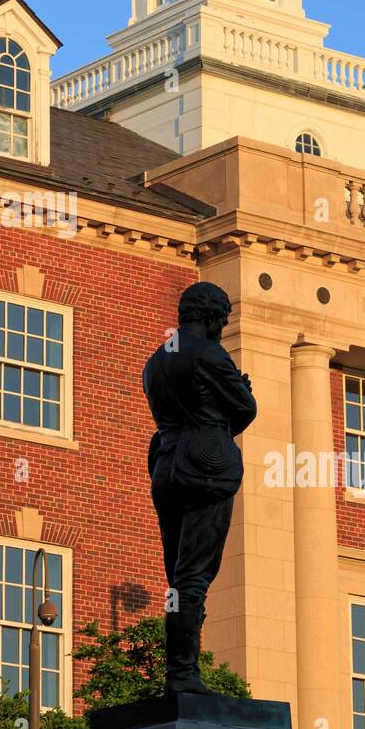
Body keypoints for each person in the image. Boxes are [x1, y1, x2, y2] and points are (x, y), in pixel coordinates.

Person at [142, 281, 257, 695]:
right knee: (194, 575)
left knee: (177, 576)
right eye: (222, 320)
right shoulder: (210, 353)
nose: (222, 328)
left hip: (166, 463)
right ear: (211, 317)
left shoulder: (156, 361)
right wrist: (242, 389)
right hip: (204, 465)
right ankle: (183, 675)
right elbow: (244, 410)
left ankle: (178, 671)